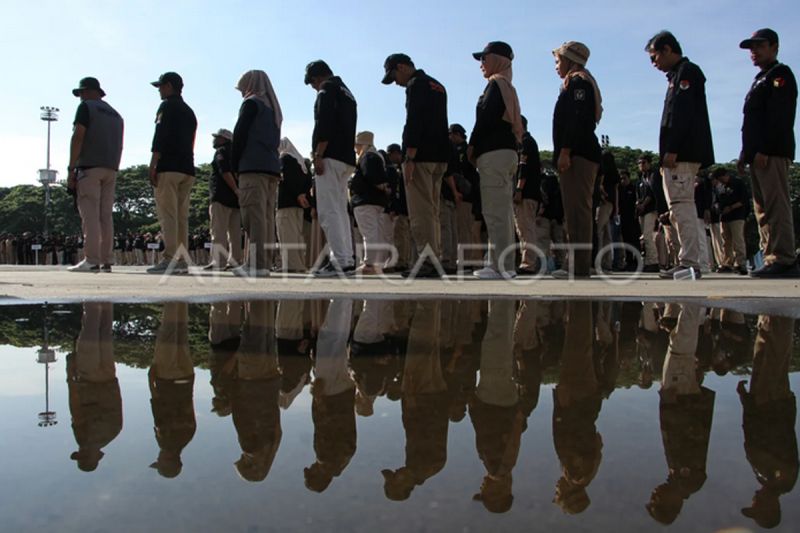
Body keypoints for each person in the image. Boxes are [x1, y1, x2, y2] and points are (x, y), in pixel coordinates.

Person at [646, 31, 715, 280]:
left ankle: (690, 263)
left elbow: (682, 113)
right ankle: (688, 261)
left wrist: (672, 148)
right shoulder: (676, 75)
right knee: (679, 209)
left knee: (682, 207)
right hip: (679, 152)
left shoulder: (687, 72)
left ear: (666, 49)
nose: (654, 63)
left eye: (654, 56)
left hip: (683, 153)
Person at [738, 28, 800, 278]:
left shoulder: (779, 75)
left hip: (771, 153)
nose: (753, 52)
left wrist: (764, 148)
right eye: (751, 48)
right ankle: (770, 255)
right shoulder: (761, 78)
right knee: (762, 209)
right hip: (758, 155)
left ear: (774, 47)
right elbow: (752, 122)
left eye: (759, 46)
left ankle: (784, 258)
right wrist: (746, 152)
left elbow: (780, 116)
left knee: (776, 206)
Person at [382, 53, 450, 278]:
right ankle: (435, 257)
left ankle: (427, 261)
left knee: (421, 212)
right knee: (432, 211)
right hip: (440, 156)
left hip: (420, 156)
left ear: (401, 67)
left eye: (394, 77)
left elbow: (414, 120)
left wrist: (409, 157)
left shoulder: (415, 85)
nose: (396, 83)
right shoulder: (437, 85)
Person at [468, 41, 523, 279]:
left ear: (498, 59)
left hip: (494, 154)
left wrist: (471, 146)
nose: (481, 63)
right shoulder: (506, 85)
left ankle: (501, 266)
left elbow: (485, 121)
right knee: (501, 210)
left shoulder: (496, 85)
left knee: (495, 211)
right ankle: (501, 263)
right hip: (506, 154)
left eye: (484, 58)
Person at [550, 41, 603, 279]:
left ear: (571, 61)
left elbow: (577, 119)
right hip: (577, 153)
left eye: (558, 61)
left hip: (578, 154)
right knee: (574, 211)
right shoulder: (575, 82)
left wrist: (565, 150)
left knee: (578, 211)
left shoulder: (579, 82)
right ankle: (578, 263)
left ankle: (578, 266)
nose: (556, 66)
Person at [305, 60, 358, 277]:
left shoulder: (327, 89)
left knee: (328, 210)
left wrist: (318, 153)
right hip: (346, 156)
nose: (313, 88)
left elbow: (325, 122)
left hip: (330, 155)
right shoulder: (347, 92)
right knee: (340, 211)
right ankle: (346, 258)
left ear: (317, 78)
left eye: (312, 84)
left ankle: (341, 261)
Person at [66, 77, 124, 273]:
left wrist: (71, 168)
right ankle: (107, 258)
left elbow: (78, 136)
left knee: (89, 214)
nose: (80, 97)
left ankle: (91, 259)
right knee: (105, 216)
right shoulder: (116, 114)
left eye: (81, 92)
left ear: (89, 91)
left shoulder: (86, 108)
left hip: (90, 167)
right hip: (111, 167)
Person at [231, 70, 282, 278]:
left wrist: (235, 164)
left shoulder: (252, 103)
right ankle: (264, 262)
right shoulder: (273, 108)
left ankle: (256, 264)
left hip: (252, 166)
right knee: (267, 218)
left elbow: (240, 134)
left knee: (254, 217)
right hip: (271, 166)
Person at [147, 72, 197, 275]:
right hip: (187, 167)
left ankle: (169, 259)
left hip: (169, 166)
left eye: (160, 86)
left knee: (168, 215)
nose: (159, 90)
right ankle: (182, 260)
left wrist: (153, 164)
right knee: (181, 217)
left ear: (168, 86)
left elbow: (160, 136)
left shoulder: (166, 106)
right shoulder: (189, 111)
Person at [350, 131, 391, 274]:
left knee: (369, 233)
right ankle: (375, 262)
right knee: (376, 233)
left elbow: (372, 175)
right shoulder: (377, 156)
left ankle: (370, 264)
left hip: (365, 200)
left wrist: (380, 185)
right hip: (376, 201)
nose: (356, 149)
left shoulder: (368, 156)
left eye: (357, 145)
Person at [205, 128, 242, 271]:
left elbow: (224, 171)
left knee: (218, 231)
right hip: (235, 199)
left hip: (221, 196)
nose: (214, 139)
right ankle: (234, 260)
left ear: (224, 139)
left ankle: (218, 261)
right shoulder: (237, 153)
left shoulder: (221, 152)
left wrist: (234, 188)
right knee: (234, 233)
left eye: (217, 137)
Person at [276, 138, 312, 272]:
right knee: (297, 235)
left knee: (287, 235)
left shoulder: (285, 160)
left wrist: (297, 194)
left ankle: (291, 265)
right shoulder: (301, 162)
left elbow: (287, 179)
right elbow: (308, 182)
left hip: (286, 203)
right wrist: (302, 194)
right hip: (299, 205)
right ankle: (299, 264)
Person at [448, 125, 481, 269]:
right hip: (458, 195)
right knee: (457, 230)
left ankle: (466, 261)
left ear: (456, 134)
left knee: (464, 230)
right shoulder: (456, 150)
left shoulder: (465, 150)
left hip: (465, 196)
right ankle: (461, 260)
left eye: (450, 134)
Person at [513, 115, 543, 274]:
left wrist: (519, 189)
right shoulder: (529, 142)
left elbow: (523, 168)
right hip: (531, 193)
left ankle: (528, 263)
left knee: (526, 229)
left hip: (526, 193)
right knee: (525, 229)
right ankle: (528, 261)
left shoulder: (526, 142)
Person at [711, 167, 749, 275]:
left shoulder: (738, 183)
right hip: (724, 216)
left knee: (738, 240)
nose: (720, 181)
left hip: (737, 216)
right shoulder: (720, 187)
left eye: (721, 178)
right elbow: (717, 200)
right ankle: (727, 263)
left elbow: (743, 200)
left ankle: (740, 263)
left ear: (725, 175)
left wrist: (731, 207)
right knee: (726, 241)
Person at [385, 143, 414, 271]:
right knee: (404, 236)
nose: (390, 158)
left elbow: (399, 192)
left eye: (391, 155)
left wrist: (395, 208)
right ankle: (404, 260)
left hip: (403, 208)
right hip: (407, 207)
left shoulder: (401, 168)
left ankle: (401, 262)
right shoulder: (402, 167)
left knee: (401, 236)